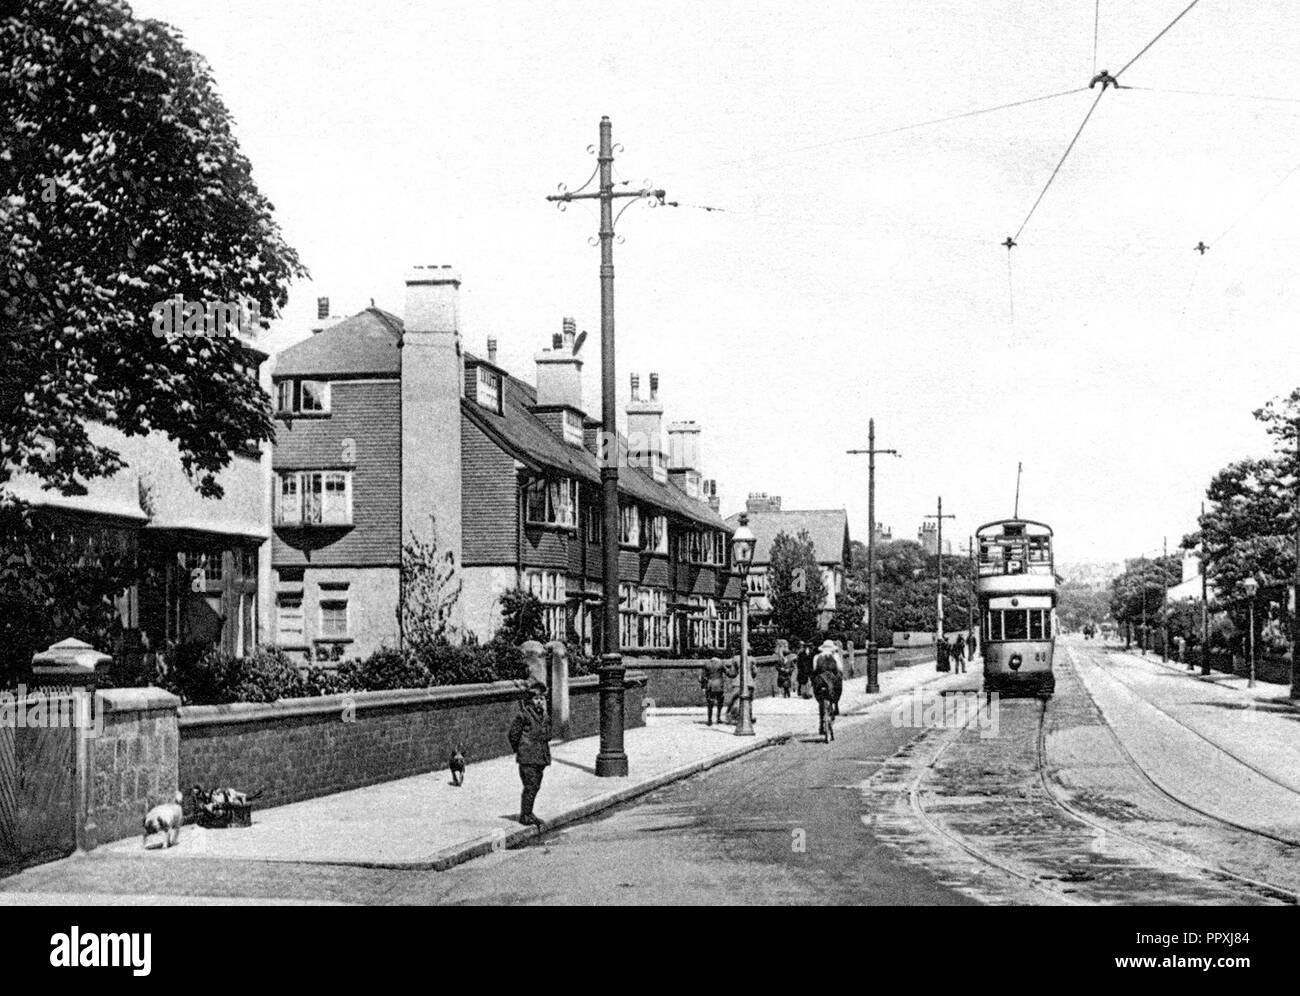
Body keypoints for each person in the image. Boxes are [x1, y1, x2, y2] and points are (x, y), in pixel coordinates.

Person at [508, 681, 552, 827]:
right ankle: (525, 815)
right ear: (530, 700)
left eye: (541, 698)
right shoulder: (524, 715)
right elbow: (513, 734)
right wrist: (521, 749)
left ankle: (529, 813)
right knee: (530, 786)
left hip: (540, 757)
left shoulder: (544, 715)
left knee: (535, 785)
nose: (539, 701)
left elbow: (548, 734)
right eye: (536, 698)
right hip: (527, 757)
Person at [812, 640, 843, 736]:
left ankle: (821, 725)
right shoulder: (835, 656)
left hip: (820, 681)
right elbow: (840, 669)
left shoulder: (817, 657)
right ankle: (834, 707)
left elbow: (814, 669)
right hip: (832, 682)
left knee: (821, 701)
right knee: (836, 690)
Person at [725, 654, 758, 726]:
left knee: (735, 700)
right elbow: (755, 672)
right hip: (749, 683)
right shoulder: (752, 659)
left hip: (738, 682)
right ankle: (748, 717)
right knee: (748, 701)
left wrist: (726, 671)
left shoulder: (735, 659)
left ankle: (734, 718)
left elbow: (732, 673)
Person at [699, 656, 727, 725]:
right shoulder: (721, 663)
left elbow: (702, 676)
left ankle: (710, 720)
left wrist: (703, 686)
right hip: (719, 685)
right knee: (720, 702)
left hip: (710, 685)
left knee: (710, 703)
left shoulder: (706, 664)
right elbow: (728, 673)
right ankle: (718, 718)